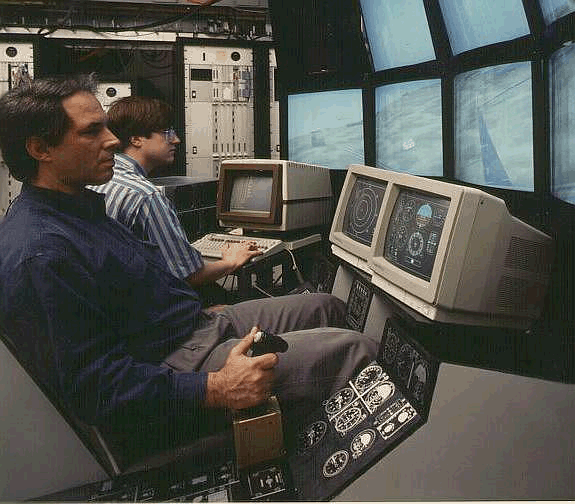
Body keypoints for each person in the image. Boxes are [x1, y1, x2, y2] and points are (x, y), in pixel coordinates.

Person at [0, 74, 379, 461]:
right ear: (40, 149)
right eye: (91, 131)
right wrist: (217, 387)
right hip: (176, 364)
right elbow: (96, 390)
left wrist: (192, 307)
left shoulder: (78, 208)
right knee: (356, 351)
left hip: (193, 325)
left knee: (326, 306)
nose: (113, 140)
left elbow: (138, 283)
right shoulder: (41, 254)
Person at [89, 95, 258, 306]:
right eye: (167, 132)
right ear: (136, 139)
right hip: (149, 309)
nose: (176, 140)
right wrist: (231, 261)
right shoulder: (145, 196)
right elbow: (188, 275)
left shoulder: (97, 181)